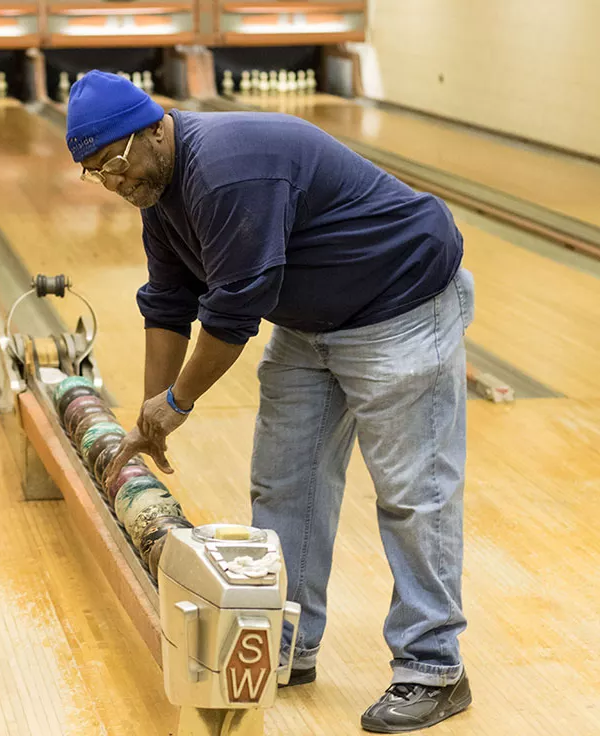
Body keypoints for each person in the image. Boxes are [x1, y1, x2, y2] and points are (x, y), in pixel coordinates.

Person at [66, 70, 473, 733]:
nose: (112, 181)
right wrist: (149, 412)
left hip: (400, 302)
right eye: (94, 173)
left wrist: (178, 402)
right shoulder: (157, 196)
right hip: (314, 323)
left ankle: (434, 669)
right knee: (284, 482)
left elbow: (232, 311)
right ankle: (288, 642)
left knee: (411, 492)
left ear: (153, 129)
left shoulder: (225, 170)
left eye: (114, 161)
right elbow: (168, 301)